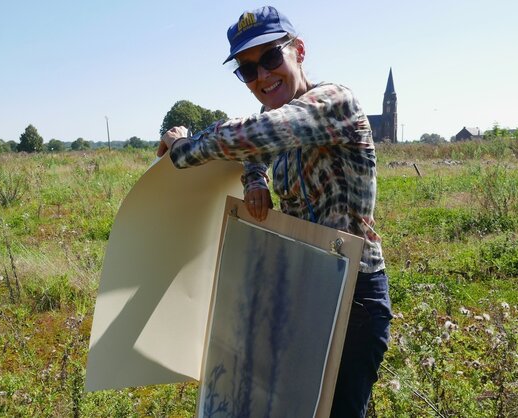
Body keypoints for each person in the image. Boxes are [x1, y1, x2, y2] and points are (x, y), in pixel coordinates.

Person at [158, 6, 392, 417]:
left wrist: (183, 148)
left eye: (270, 58)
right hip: (304, 285)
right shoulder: (276, 115)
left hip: (353, 296)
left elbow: (253, 135)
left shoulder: (333, 102)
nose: (262, 76)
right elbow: (257, 149)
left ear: (298, 50)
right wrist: (254, 180)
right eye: (248, 70)